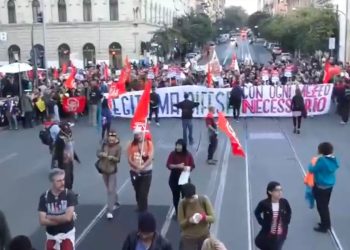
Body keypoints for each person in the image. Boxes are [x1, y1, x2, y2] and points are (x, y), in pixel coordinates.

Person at [38, 169, 77, 250]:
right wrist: (61, 220)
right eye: (59, 181)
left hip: (66, 236)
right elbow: (42, 221)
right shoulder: (45, 197)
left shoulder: (69, 195)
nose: (62, 183)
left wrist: (50, 217)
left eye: (63, 179)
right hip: (51, 236)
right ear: (52, 182)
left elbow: (68, 218)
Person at [309, 142, 339, 233]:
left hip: (320, 186)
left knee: (321, 207)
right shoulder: (333, 159)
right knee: (325, 204)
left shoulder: (321, 161)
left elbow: (312, 169)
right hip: (329, 186)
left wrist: (314, 162)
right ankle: (325, 223)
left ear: (321, 151)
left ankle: (325, 225)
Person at [254, 181, 291, 250]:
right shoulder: (264, 204)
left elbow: (289, 211)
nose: (280, 192)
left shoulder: (284, 202)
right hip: (268, 232)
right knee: (260, 242)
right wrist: (262, 222)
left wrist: (286, 221)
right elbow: (257, 212)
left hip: (280, 234)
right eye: (277, 190)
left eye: (281, 190)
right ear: (270, 192)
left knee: (276, 247)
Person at [178, 183, 215, 250]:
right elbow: (181, 224)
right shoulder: (182, 203)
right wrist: (189, 220)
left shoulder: (203, 200)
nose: (190, 201)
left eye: (192, 198)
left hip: (204, 236)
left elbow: (212, 218)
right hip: (189, 239)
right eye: (188, 198)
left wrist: (202, 217)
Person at [127, 127, 154, 212]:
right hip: (134, 171)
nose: (139, 136)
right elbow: (129, 159)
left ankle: (144, 209)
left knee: (144, 192)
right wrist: (136, 166)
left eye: (140, 134)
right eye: (136, 134)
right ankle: (140, 205)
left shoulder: (149, 144)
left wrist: (143, 166)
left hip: (146, 172)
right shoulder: (131, 145)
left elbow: (150, 158)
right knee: (137, 190)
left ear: (143, 134)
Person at [96, 129, 122, 219]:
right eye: (110, 138)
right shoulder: (104, 144)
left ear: (115, 138)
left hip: (112, 170)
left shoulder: (118, 147)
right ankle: (116, 200)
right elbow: (97, 153)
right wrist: (101, 154)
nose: (111, 140)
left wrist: (112, 158)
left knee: (110, 190)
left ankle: (110, 210)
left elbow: (118, 159)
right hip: (103, 169)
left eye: (112, 138)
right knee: (110, 188)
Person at [166, 139, 195, 216]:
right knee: (176, 197)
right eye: (177, 145)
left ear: (183, 146)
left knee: (185, 197)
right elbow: (168, 165)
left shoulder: (188, 155)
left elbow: (192, 166)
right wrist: (177, 166)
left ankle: (185, 212)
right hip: (174, 179)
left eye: (179, 146)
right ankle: (177, 212)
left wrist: (187, 168)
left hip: (184, 179)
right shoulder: (172, 154)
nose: (178, 147)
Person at [53, 122, 81, 190]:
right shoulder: (60, 139)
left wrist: (76, 158)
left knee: (71, 178)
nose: (70, 129)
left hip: (70, 161)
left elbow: (71, 148)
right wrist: (61, 164)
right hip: (65, 163)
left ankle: (69, 191)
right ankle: (66, 193)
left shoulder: (67, 136)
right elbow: (58, 152)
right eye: (69, 128)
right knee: (67, 179)